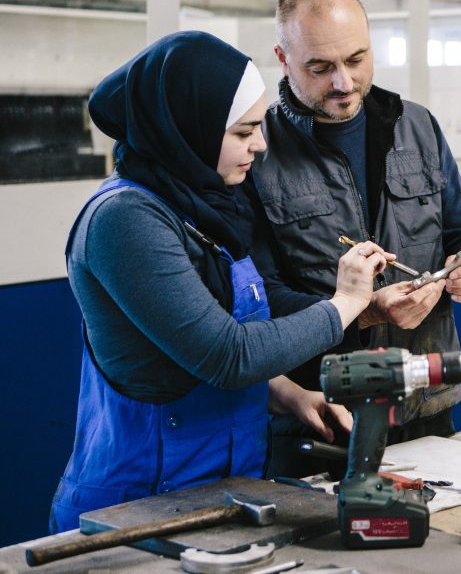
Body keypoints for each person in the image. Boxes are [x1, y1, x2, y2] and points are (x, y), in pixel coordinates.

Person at [50, 30, 391, 532]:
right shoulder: (124, 220)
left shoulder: (206, 204)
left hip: (225, 493)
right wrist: (344, 304)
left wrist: (293, 396)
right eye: (243, 131)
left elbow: (224, 323)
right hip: (137, 506)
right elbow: (225, 355)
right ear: (189, 127)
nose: (261, 144)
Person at [249, 0, 461, 461]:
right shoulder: (258, 152)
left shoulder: (418, 125)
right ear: (282, 58)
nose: (343, 83)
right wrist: (363, 310)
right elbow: (256, 300)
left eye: (356, 60)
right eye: (320, 68)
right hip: (322, 418)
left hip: (426, 408)